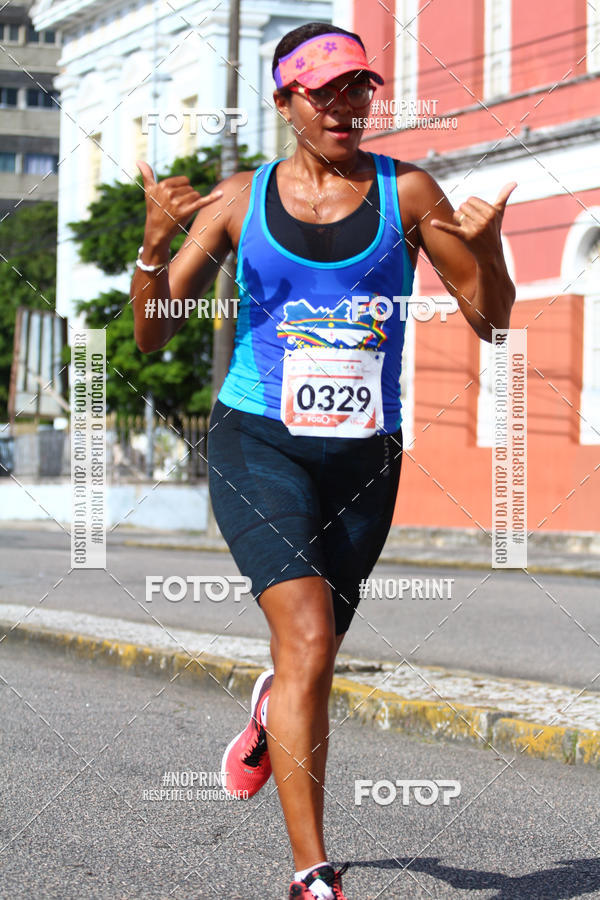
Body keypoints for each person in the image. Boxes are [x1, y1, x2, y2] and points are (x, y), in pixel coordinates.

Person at [131, 21, 516, 900]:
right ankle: (313, 874)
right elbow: (153, 334)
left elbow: (491, 322)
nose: (347, 106)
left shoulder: (409, 192)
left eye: (360, 89)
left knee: (316, 652)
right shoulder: (237, 202)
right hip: (256, 439)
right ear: (286, 103)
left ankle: (275, 707)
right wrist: (154, 247)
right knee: (305, 636)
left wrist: (488, 248)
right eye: (327, 91)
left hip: (365, 457)